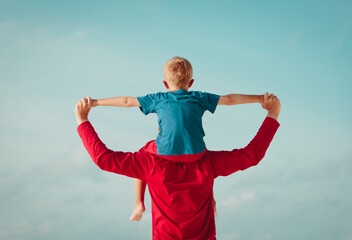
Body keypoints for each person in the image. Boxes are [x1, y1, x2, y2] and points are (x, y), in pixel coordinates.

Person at [75, 92, 281, 240]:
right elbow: (251, 155)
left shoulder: (149, 161)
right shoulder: (208, 163)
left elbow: (103, 159)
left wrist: (83, 119)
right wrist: (272, 114)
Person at [89, 56, 266, 221]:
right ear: (191, 82)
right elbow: (230, 100)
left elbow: (127, 101)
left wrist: (96, 102)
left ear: (165, 84)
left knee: (144, 152)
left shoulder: (158, 98)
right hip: (196, 153)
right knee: (207, 165)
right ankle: (211, 201)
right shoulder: (199, 97)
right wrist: (259, 99)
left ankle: (138, 203)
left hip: (167, 152)